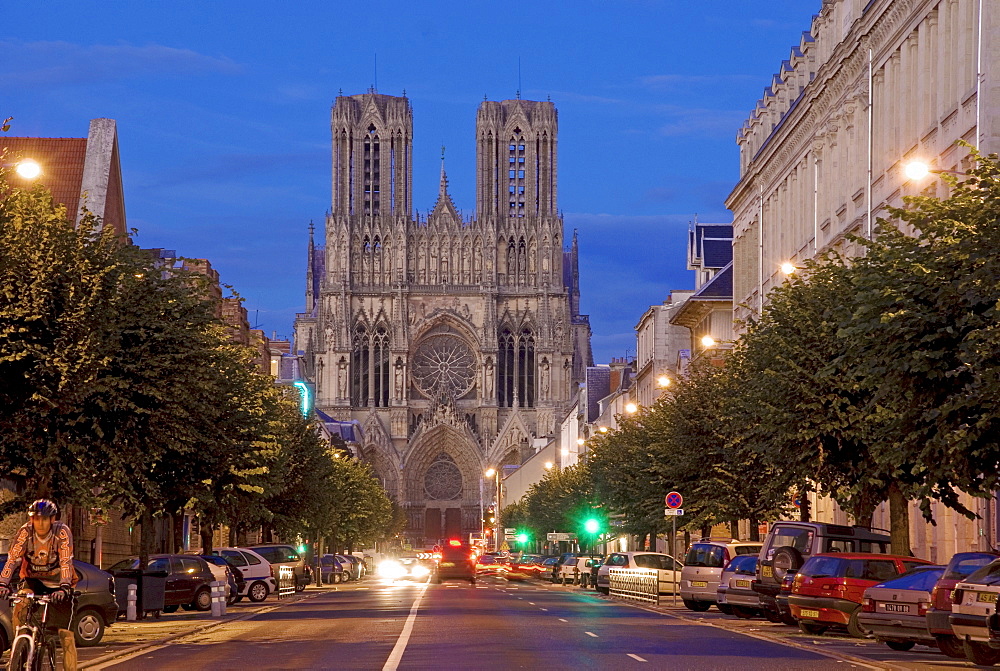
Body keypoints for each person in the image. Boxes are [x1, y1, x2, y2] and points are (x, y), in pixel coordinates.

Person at [0, 499, 78, 670]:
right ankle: (18, 649)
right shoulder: (25, 532)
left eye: (44, 519)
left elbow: (66, 561)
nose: (40, 523)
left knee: (66, 635)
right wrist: (3, 583)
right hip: (32, 579)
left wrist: (64, 587)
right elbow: (12, 559)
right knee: (21, 604)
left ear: (52, 519)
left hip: (59, 583)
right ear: (31, 519)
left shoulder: (62, 532)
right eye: (36, 519)